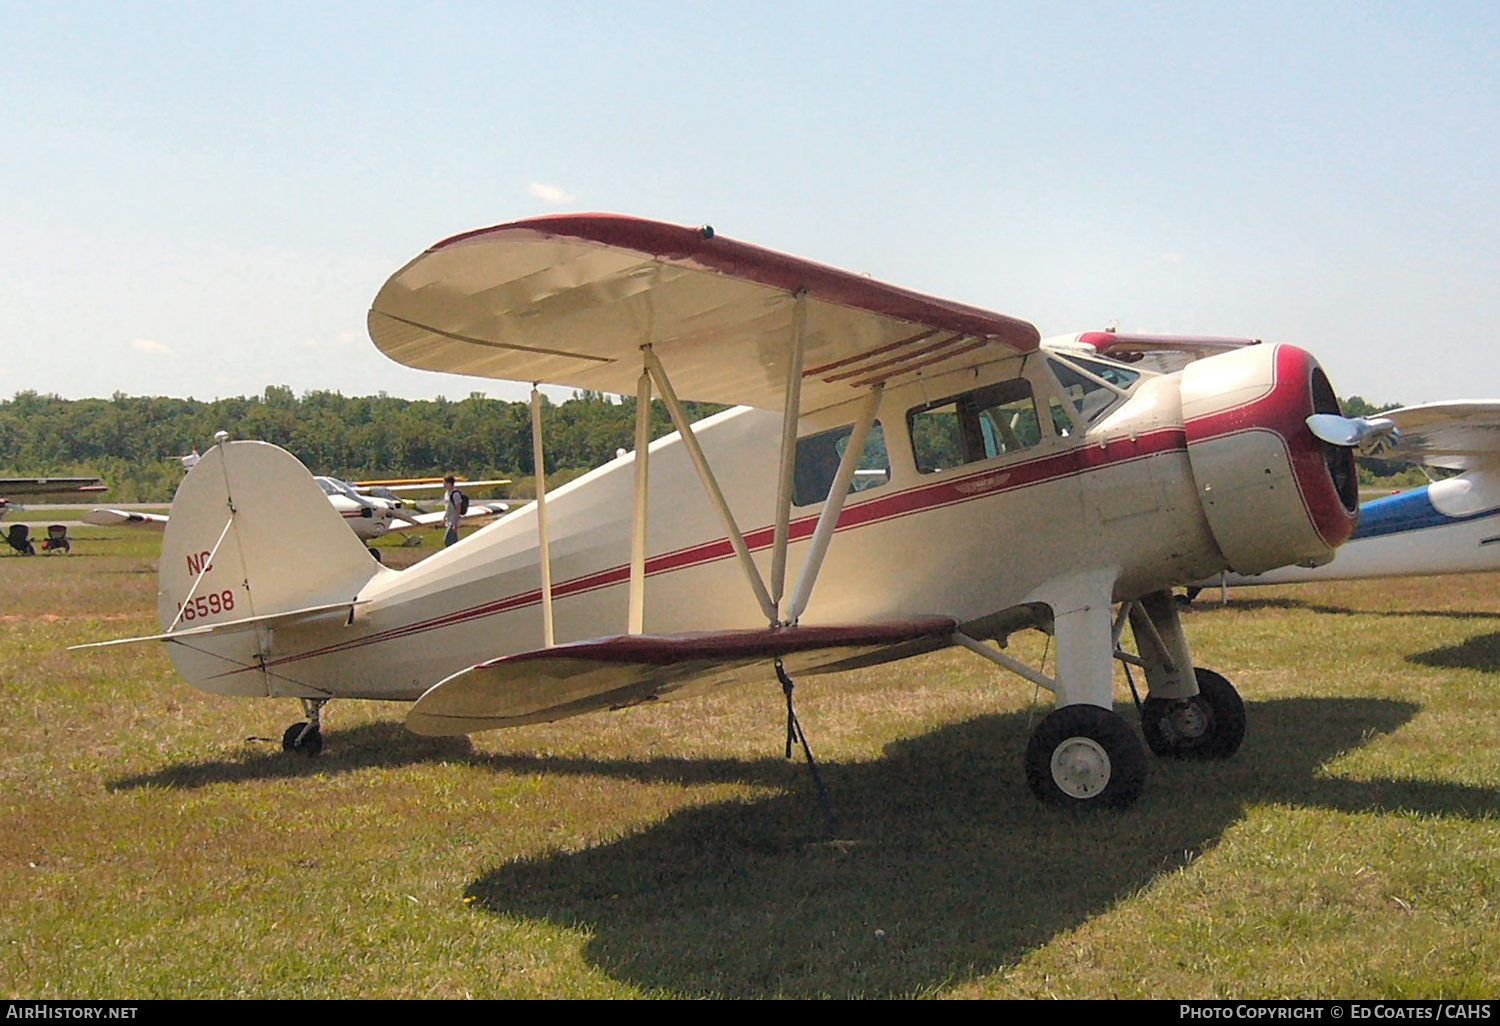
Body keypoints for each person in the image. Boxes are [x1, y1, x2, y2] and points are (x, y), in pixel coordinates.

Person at [442, 475, 464, 548]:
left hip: (454, 520)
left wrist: (455, 523)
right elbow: (447, 507)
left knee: (448, 540)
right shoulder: (446, 493)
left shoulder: (455, 494)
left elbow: (458, 508)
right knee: (454, 541)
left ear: (450, 483)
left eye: (445, 483)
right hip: (449, 520)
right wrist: (444, 517)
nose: (444, 485)